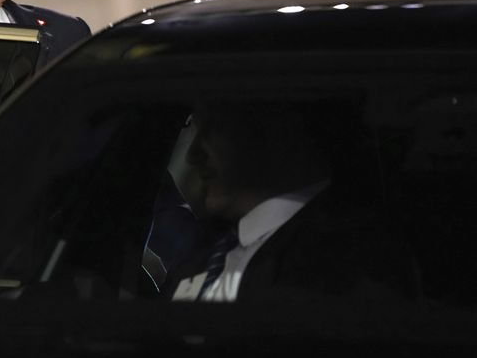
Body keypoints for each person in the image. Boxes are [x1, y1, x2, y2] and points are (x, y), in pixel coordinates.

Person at [163, 99, 421, 303]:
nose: (193, 156)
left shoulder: (354, 257)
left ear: (276, 126)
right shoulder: (200, 251)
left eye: (212, 127)